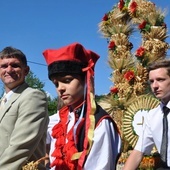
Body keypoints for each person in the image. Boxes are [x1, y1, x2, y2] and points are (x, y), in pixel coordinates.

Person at [43, 42, 121, 170]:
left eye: (67, 80)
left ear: (86, 79)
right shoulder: (58, 119)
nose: (60, 88)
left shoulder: (99, 122)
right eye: (56, 84)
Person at [0, 46, 49, 169]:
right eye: (4, 66)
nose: (9, 70)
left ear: (26, 70)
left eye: (15, 65)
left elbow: (20, 147)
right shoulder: (3, 101)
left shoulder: (33, 97)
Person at [123, 59, 170, 169]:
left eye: (160, 80)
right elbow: (138, 152)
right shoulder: (153, 116)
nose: (155, 86)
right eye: (152, 81)